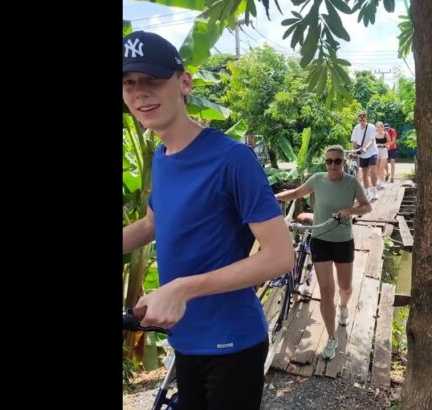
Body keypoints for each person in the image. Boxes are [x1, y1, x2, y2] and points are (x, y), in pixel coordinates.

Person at [122, 31, 294, 410]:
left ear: (184, 83)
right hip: (184, 339)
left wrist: (181, 289)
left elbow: (281, 257)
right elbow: (152, 224)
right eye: (129, 83)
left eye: (152, 80)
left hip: (232, 344)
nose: (139, 93)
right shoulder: (163, 158)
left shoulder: (232, 159)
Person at [274, 145, 371, 360]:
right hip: (320, 240)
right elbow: (297, 193)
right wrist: (273, 196)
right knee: (327, 290)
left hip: (343, 241)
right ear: (325, 162)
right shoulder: (317, 179)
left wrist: (350, 211)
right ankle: (331, 338)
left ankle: (344, 307)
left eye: (337, 161)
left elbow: (367, 206)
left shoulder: (352, 183)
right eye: (329, 161)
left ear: (343, 162)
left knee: (345, 287)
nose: (333, 165)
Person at [351, 112, 379, 201]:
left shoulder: (371, 127)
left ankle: (374, 190)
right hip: (362, 154)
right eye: (360, 119)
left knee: (373, 172)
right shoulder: (356, 128)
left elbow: (371, 140)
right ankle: (367, 192)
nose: (362, 121)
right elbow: (354, 142)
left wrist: (366, 148)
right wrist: (353, 151)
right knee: (364, 173)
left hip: (372, 152)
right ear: (358, 119)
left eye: (363, 119)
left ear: (366, 119)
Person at [374, 121, 389, 186]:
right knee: (377, 167)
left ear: (383, 127)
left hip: (384, 151)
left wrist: (383, 144)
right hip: (376, 151)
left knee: (381, 168)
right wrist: (377, 145)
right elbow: (372, 142)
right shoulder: (374, 134)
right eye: (378, 127)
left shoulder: (386, 134)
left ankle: (382, 181)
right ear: (376, 127)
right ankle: (378, 180)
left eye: (380, 127)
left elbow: (389, 142)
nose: (379, 128)